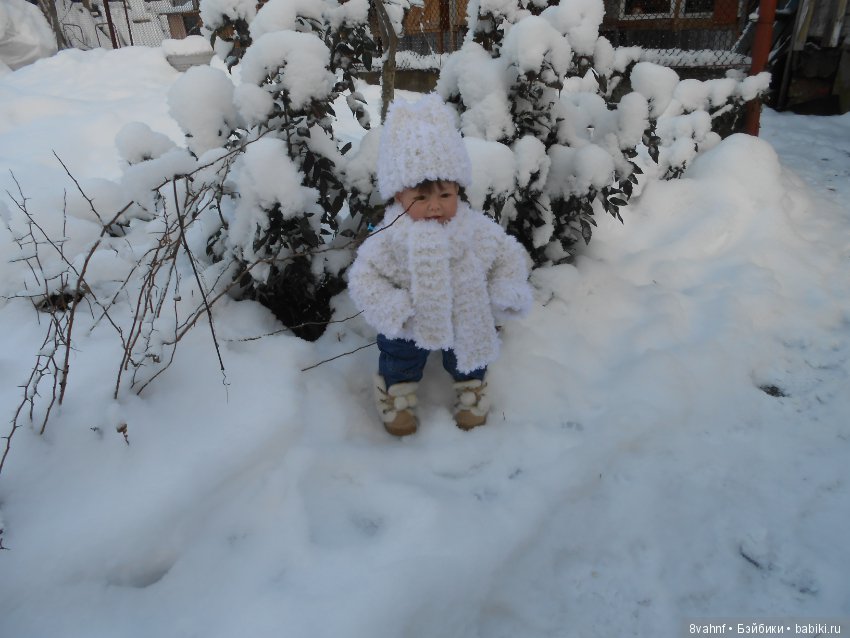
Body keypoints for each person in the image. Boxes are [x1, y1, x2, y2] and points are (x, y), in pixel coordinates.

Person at [347, 93, 533, 436]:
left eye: (445, 195)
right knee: (399, 353)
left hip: (464, 313)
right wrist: (393, 308)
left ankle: (470, 384)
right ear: (397, 196)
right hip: (410, 320)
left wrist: (506, 287)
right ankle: (396, 389)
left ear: (458, 191)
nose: (435, 206)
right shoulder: (389, 239)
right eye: (421, 197)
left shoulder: (474, 230)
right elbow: (364, 278)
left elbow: (507, 254)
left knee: (470, 348)